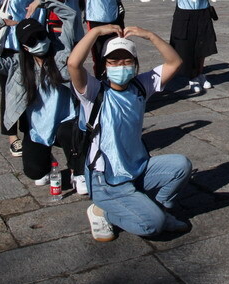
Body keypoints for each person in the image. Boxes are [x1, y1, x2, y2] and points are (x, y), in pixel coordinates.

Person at [67, 24, 189, 242]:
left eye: (126, 61)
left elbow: (175, 62)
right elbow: (74, 64)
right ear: (105, 65)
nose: (120, 66)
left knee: (181, 166)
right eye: (113, 62)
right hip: (105, 178)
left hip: (137, 168)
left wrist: (150, 34)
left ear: (135, 65)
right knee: (152, 225)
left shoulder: (141, 86)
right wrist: (94, 33)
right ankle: (102, 211)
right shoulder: (94, 92)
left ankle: (160, 209)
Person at [0, 0, 79, 188]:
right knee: (35, 173)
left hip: (66, 120)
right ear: (24, 47)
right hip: (37, 127)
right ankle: (47, 160)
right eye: (32, 41)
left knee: (72, 135)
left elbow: (71, 16)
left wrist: (44, 2)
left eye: (41, 36)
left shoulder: (60, 51)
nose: (39, 42)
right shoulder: (16, 64)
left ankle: (78, 169)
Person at [0, 0, 66, 156]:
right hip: (10, 48)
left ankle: (29, 131)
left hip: (35, 49)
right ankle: (11, 135)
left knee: (33, 90)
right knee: (9, 93)